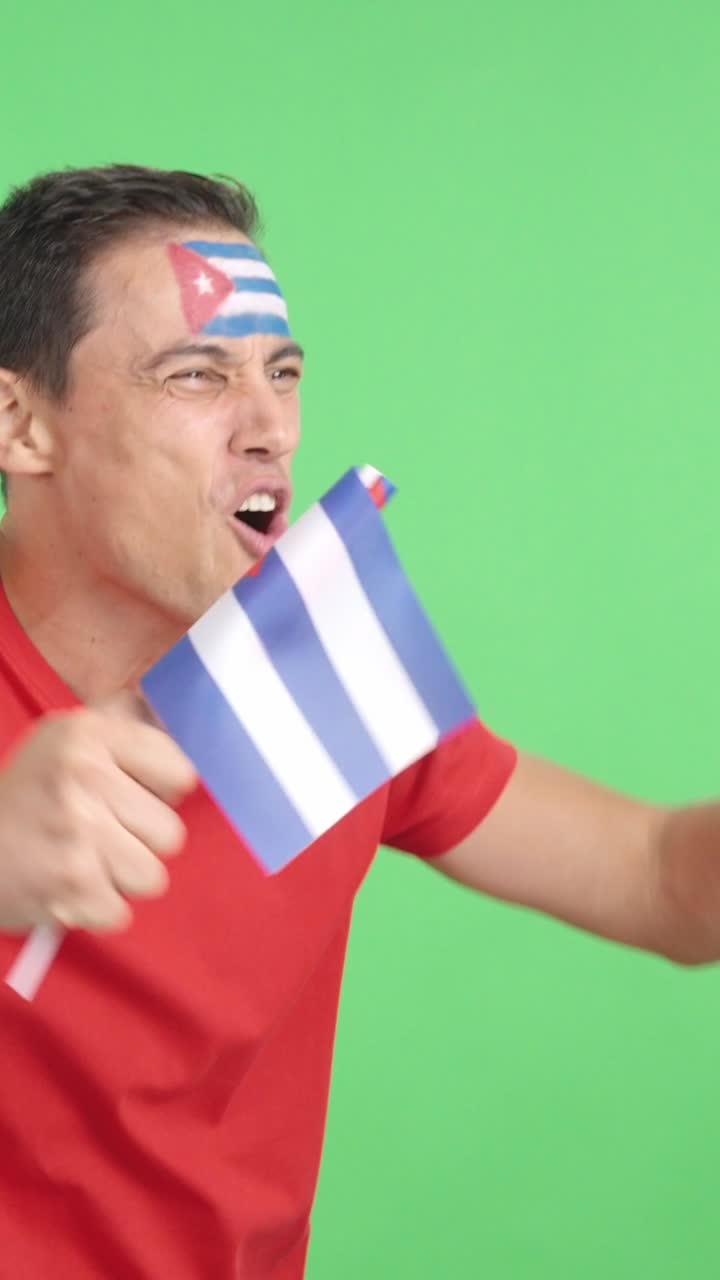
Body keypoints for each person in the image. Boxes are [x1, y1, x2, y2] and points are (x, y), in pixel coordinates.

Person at [0, 165, 715, 1280]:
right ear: (20, 423)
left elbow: (661, 881)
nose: (270, 428)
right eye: (197, 375)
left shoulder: (310, 660)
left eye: (281, 373)